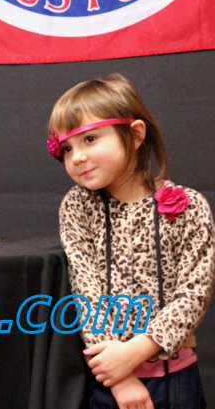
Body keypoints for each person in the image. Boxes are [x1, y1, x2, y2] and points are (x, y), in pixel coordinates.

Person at [47, 73, 214, 408]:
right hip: (107, 380)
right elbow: (86, 291)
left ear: (135, 134)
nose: (76, 156)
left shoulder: (188, 205)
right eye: (67, 148)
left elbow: (195, 291)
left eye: (90, 139)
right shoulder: (78, 206)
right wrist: (120, 377)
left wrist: (137, 351)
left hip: (176, 380)